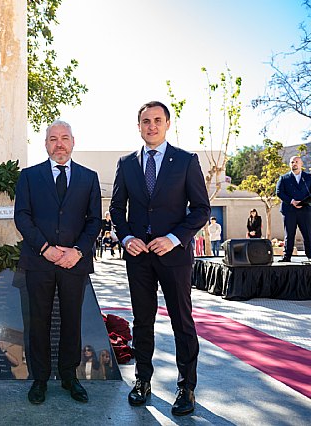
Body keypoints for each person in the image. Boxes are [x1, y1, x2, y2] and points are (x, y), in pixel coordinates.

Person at [109, 101, 210, 416]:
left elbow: (202, 209)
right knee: (142, 321)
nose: (151, 126)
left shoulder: (186, 161)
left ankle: (186, 387)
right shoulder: (126, 164)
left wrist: (174, 238)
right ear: (138, 126)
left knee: (182, 320)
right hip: (138, 257)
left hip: (174, 255)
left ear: (167, 124)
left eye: (156, 120)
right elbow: (116, 208)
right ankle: (142, 381)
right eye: (145, 121)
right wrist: (126, 238)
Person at [14, 119, 102, 405]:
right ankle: (39, 379)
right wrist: (45, 248)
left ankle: (69, 376)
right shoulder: (29, 176)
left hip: (74, 264)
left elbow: (94, 221)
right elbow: (22, 217)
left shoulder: (89, 178)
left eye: (65, 138)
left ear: (73, 142)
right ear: (46, 144)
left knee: (71, 321)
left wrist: (77, 251)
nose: (59, 143)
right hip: (39, 262)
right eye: (53, 138)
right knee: (38, 322)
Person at [276, 155, 311, 262]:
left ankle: (310, 255)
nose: (294, 164)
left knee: (308, 234)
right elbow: (279, 192)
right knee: (289, 234)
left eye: (296, 162)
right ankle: (287, 256)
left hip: (305, 210)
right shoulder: (284, 178)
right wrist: (292, 201)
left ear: (301, 164)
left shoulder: (308, 178)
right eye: (292, 162)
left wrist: (305, 202)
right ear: (289, 164)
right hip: (289, 211)